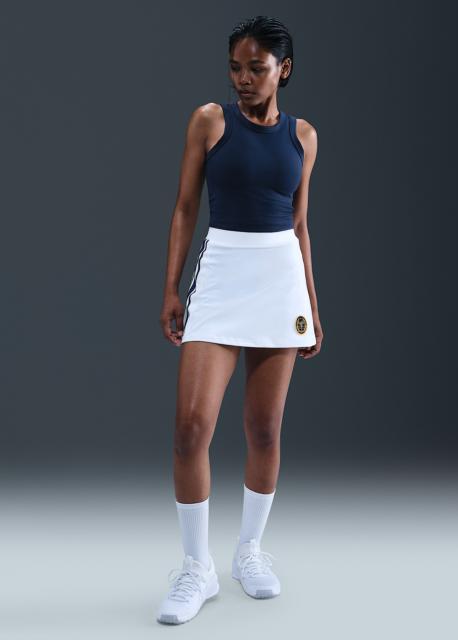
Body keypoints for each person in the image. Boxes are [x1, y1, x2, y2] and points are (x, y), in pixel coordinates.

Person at [156, 15, 324, 625]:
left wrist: (312, 305)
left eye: (257, 68)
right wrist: (172, 288)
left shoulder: (303, 136)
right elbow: (185, 208)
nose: (243, 79)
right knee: (190, 428)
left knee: (264, 429)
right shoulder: (209, 121)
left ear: (284, 69)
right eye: (235, 67)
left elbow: (300, 225)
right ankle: (196, 567)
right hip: (223, 275)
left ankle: (249, 550)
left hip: (280, 282)